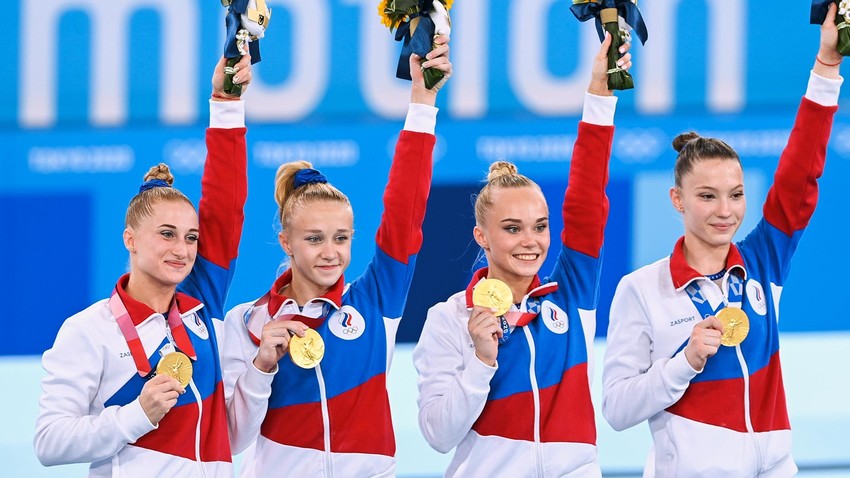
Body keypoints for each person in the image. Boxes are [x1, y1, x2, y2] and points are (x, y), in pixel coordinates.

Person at [601, 6, 843, 477]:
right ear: (677, 199)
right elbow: (616, 409)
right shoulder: (642, 289)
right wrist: (684, 361)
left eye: (735, 196)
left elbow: (800, 176)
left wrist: (828, 67)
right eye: (707, 196)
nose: (725, 211)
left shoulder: (762, 264)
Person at [220, 37, 452, 477]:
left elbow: (406, 211)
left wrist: (423, 101)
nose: (331, 253)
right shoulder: (247, 323)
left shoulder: (375, 302)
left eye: (342, 238)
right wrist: (261, 367)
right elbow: (233, 440)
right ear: (286, 242)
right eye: (314, 239)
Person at [412, 33, 632, 477]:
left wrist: (599, 95)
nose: (530, 241)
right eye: (512, 229)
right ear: (482, 236)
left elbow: (588, 202)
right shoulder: (449, 319)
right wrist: (480, 360)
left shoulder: (571, 298)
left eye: (540, 226)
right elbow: (437, 436)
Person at [33, 55, 253, 477]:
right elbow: (48, 442)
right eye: (166, 234)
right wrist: (137, 414)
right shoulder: (88, 330)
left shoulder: (199, 306)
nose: (182, 249)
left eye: (191, 237)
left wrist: (227, 103)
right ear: (129, 239)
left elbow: (226, 207)